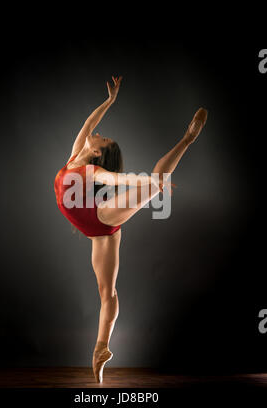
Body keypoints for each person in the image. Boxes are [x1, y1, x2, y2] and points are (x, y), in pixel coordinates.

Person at [54, 76, 208, 383]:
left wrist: (149, 185)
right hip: (98, 233)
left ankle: (187, 139)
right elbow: (90, 121)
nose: (97, 134)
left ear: (98, 153)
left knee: (154, 180)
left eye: (103, 139)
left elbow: (117, 180)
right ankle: (101, 350)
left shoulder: (92, 169)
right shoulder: (74, 157)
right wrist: (109, 102)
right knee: (107, 293)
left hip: (103, 217)